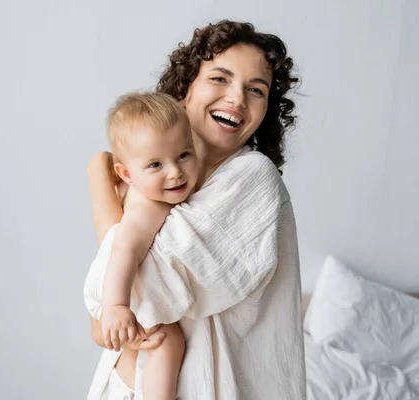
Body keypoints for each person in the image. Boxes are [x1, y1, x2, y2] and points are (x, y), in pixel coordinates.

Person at [84, 19, 305, 399]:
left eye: (256, 89)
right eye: (220, 78)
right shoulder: (158, 182)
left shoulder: (253, 178)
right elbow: (104, 316)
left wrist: (99, 183)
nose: (237, 98)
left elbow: (144, 294)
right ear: (186, 87)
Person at [100, 91, 198, 399]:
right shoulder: (145, 209)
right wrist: (116, 306)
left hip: (129, 288)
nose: (175, 172)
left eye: (184, 155)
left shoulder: (151, 191)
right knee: (168, 339)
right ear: (127, 174)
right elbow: (124, 250)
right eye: (155, 164)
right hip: (123, 291)